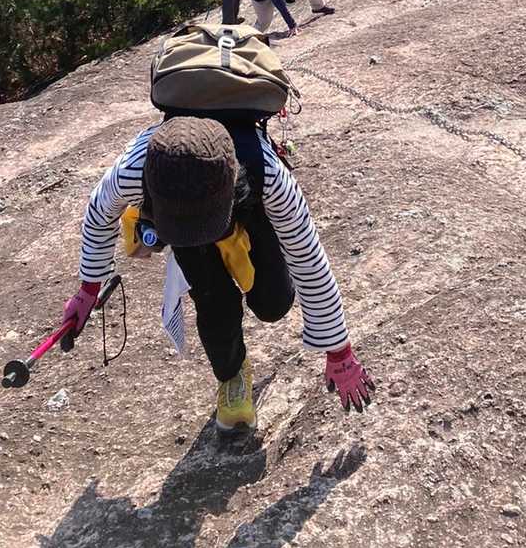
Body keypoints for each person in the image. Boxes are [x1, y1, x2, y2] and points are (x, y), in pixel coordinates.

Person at [63, 115, 375, 434]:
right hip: (175, 212)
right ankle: (232, 374)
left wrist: (339, 351)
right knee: (212, 301)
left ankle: (238, 239)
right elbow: (98, 216)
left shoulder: (268, 174)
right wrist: (88, 290)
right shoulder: (132, 170)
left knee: (273, 304)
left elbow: (307, 257)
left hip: (246, 203)